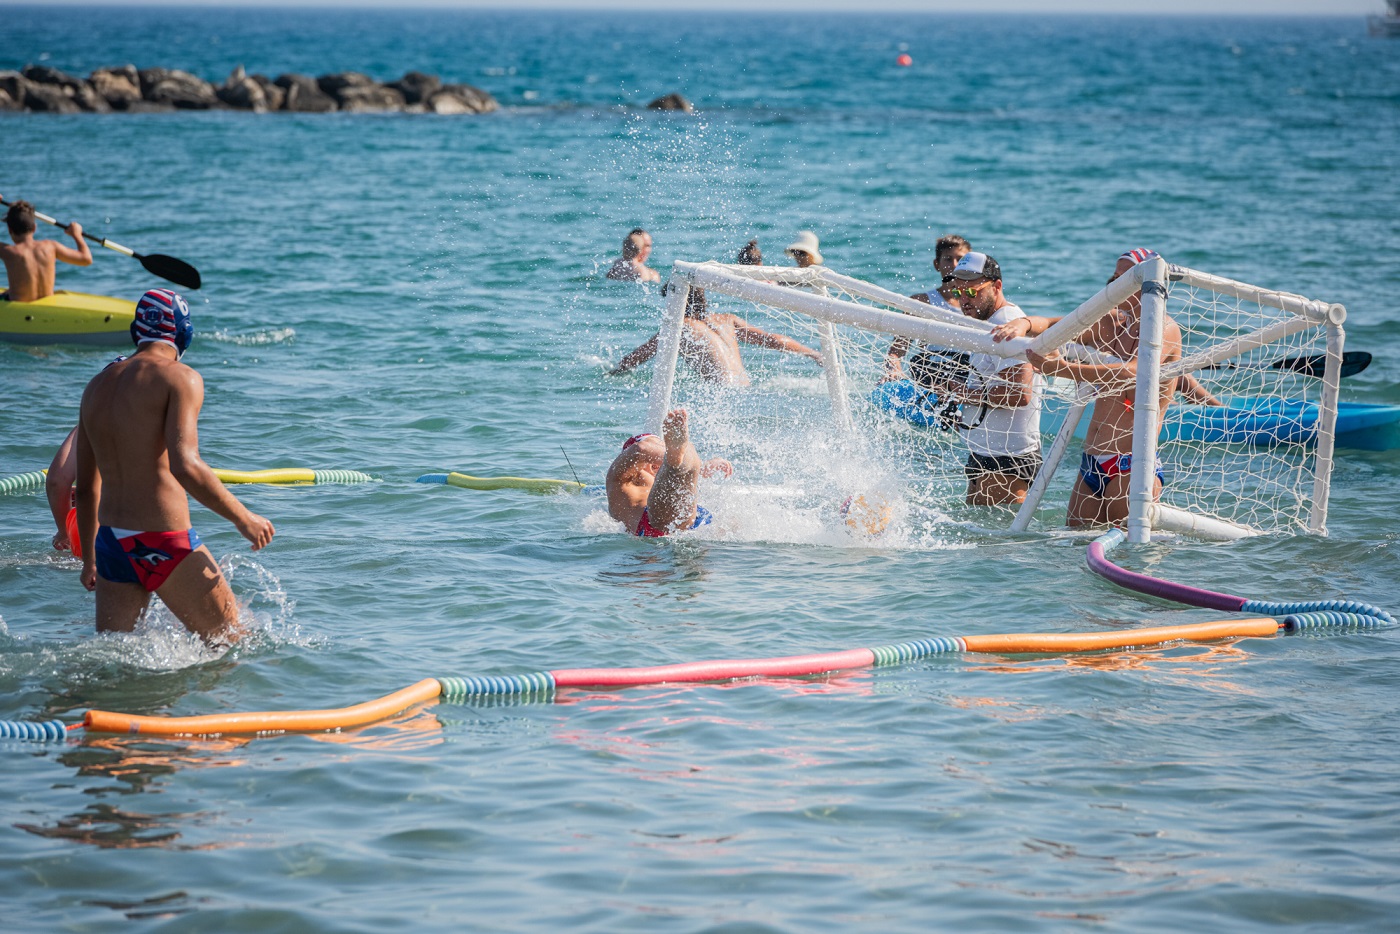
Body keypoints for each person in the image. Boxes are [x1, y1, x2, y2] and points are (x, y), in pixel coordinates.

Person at [74, 288, 275, 644]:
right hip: (164, 541)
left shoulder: (96, 386)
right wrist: (244, 518)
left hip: (111, 544)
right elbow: (186, 465)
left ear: (136, 331)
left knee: (116, 661)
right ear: (184, 333)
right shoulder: (181, 378)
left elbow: (87, 488)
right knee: (234, 645)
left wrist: (90, 559)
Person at [990, 248, 1218, 528]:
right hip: (1091, 463)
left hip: (1131, 464)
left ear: (1146, 283)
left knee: (1128, 547)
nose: (1115, 285)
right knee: (1075, 545)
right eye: (1114, 278)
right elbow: (1053, 325)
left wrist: (1061, 369)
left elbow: (1132, 372)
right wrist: (1023, 323)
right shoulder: (1111, 323)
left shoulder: (1165, 327)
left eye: (1125, 278)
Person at [922, 252, 1043, 506]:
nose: (964, 300)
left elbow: (1019, 393)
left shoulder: (1007, 323)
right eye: (958, 292)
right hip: (986, 453)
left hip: (1008, 458)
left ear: (996, 287)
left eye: (971, 292)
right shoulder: (988, 322)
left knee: (999, 532)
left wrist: (962, 393)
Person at [610, 285, 822, 387]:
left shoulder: (680, 327)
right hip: (746, 388)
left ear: (676, 302)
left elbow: (636, 358)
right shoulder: (727, 320)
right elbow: (772, 339)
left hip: (723, 393)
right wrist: (813, 354)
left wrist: (613, 372)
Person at [606, 408, 731, 537]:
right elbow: (640, 448)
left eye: (664, 447)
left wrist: (701, 467)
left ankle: (679, 459)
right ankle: (676, 458)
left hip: (696, 522)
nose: (656, 462)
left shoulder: (661, 479)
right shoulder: (622, 479)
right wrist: (671, 455)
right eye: (652, 455)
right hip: (655, 524)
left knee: (687, 455)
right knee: (684, 456)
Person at [882, 234, 972, 382]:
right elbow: (896, 351)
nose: (954, 265)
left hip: (969, 379)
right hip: (931, 377)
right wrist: (894, 370)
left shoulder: (979, 304)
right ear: (937, 264)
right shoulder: (922, 302)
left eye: (960, 259)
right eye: (948, 259)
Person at [0, 199, 92, 302]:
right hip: (46, 305)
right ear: (34, 228)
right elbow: (86, 259)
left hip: (18, 307)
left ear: (10, 230)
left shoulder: (8, 251)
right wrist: (76, 235)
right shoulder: (50, 247)